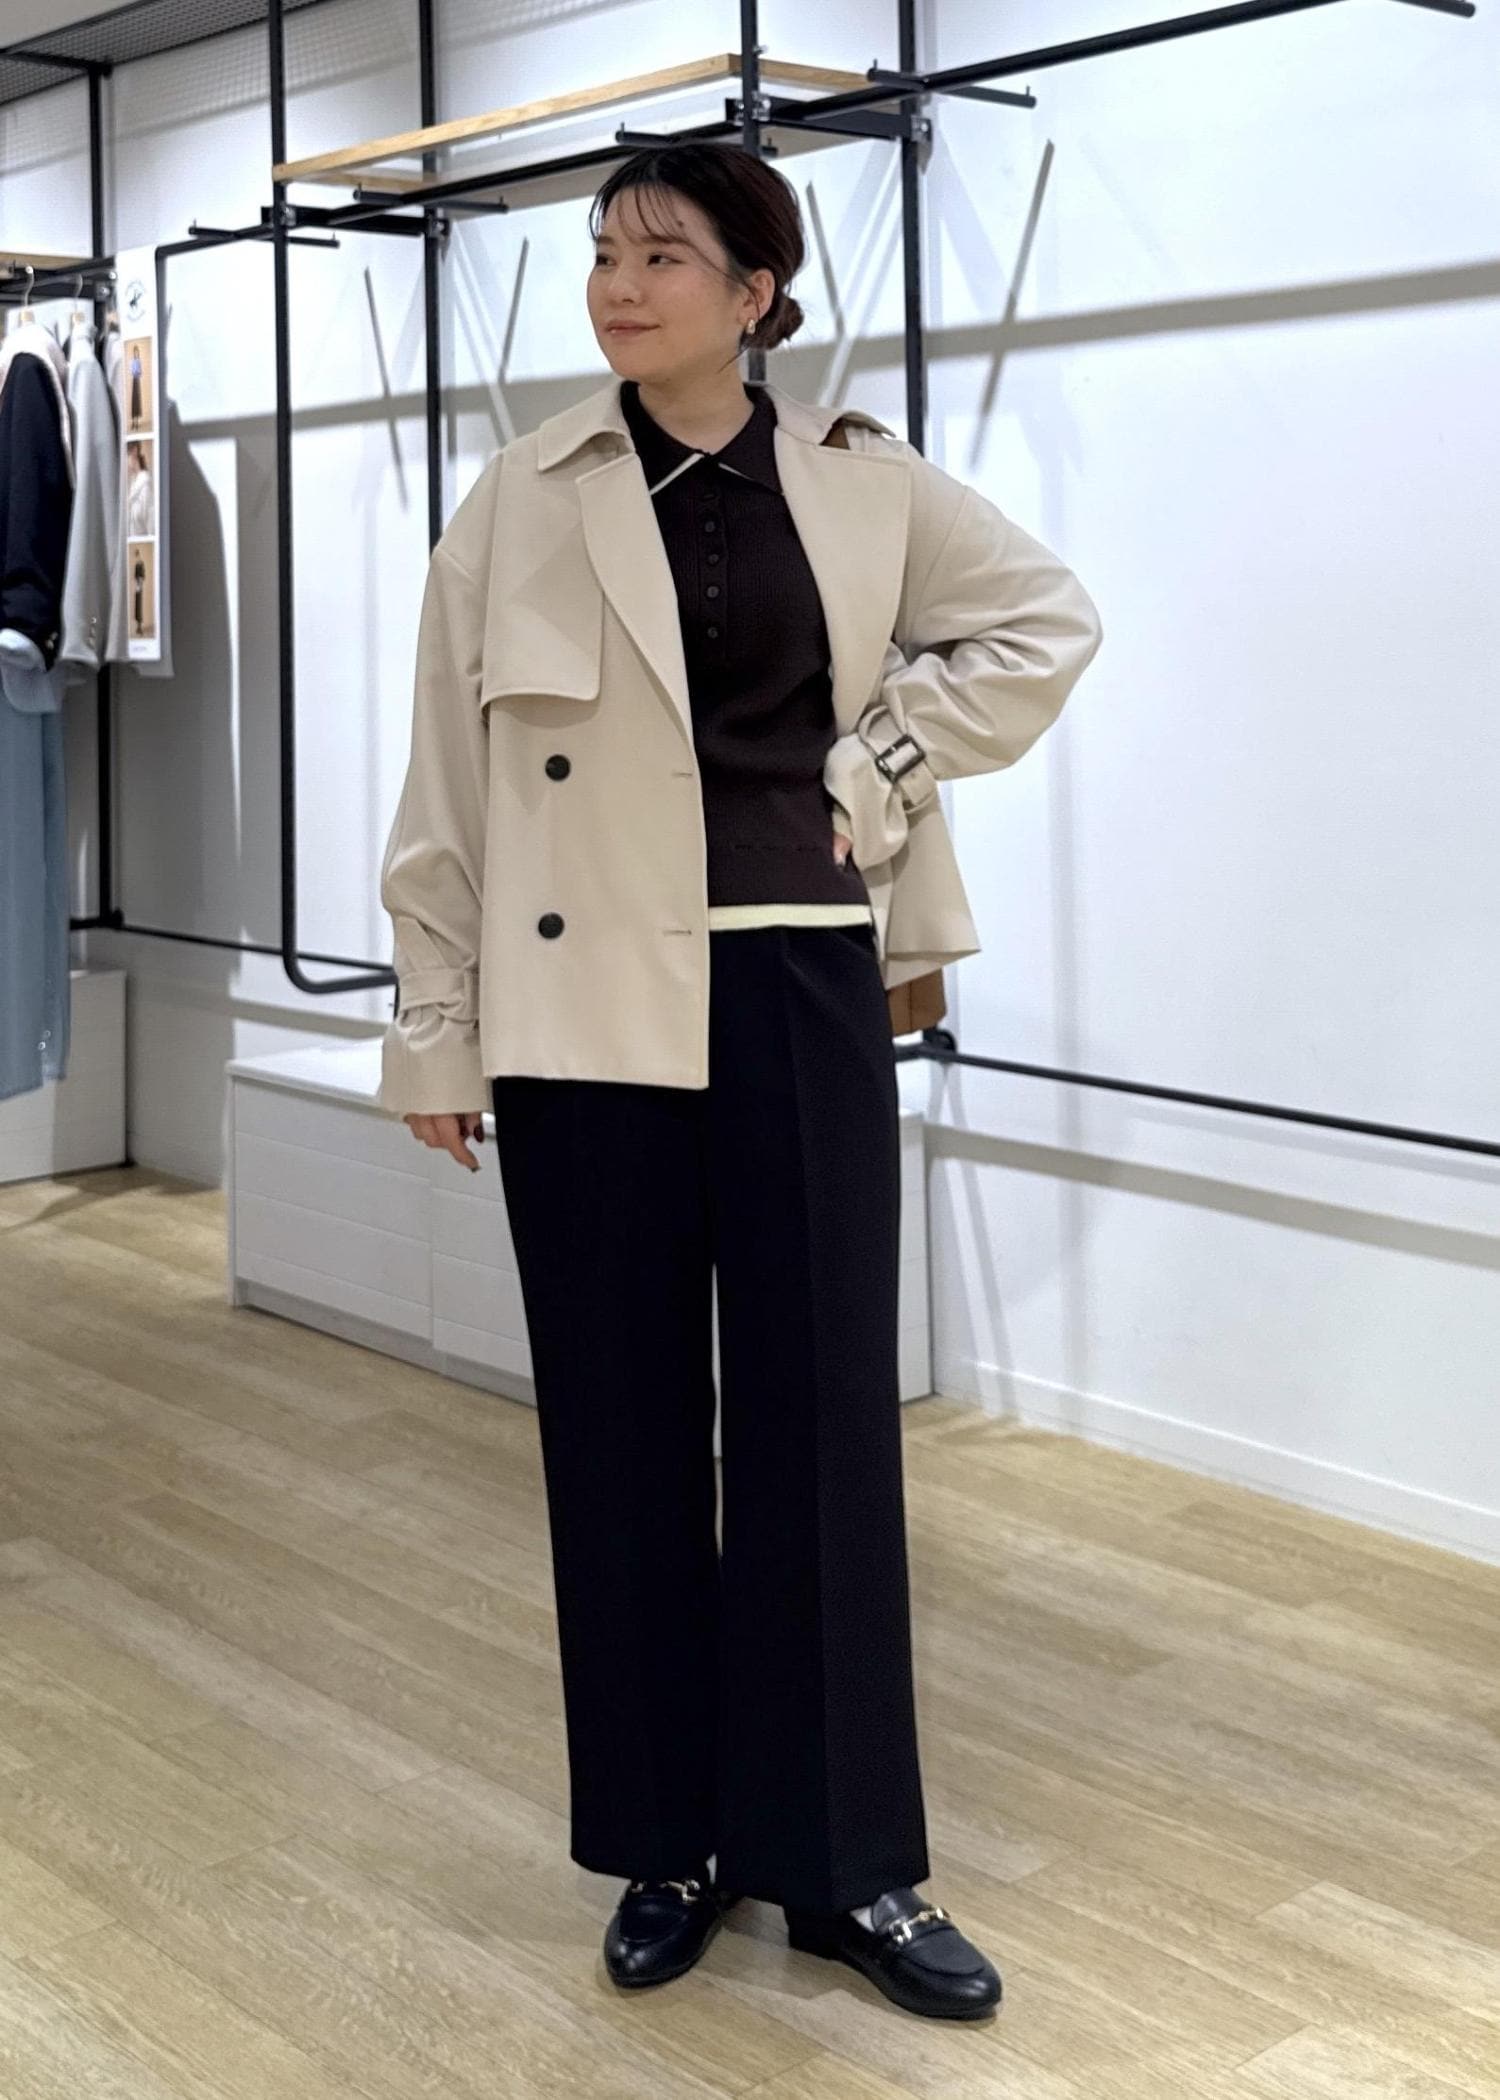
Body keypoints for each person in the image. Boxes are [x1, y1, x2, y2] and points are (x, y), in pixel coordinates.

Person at [377, 140, 1103, 2020]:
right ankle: (669, 1845)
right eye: (603, 255)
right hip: (579, 1018)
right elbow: (445, 784)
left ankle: (849, 1869)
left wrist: (879, 762)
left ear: (755, 295)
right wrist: (434, 1025)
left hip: (797, 984)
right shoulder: (523, 494)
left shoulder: (862, 483)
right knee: (619, 1436)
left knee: (823, 1427)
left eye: (662, 257)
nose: (619, 288)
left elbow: (1045, 624)